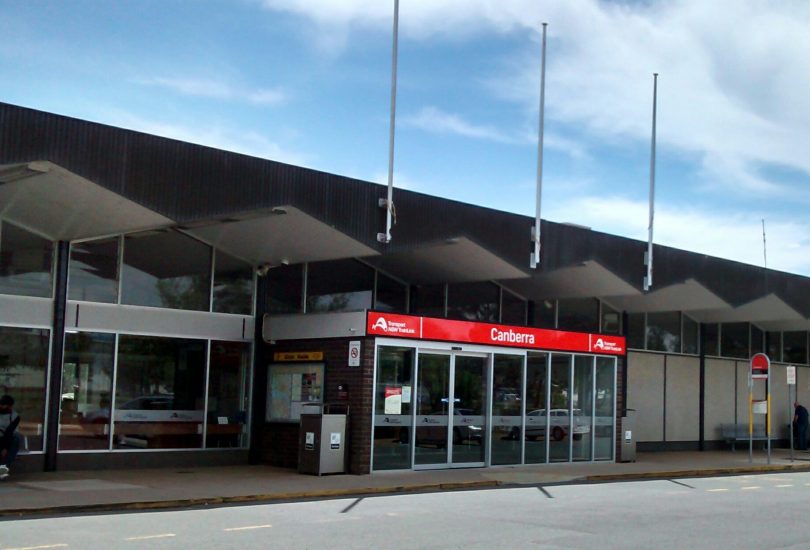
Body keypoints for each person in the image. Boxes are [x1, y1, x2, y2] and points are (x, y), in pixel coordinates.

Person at [0, 394, 21, 480]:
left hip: (5, 438)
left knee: (16, 438)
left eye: (4, 405)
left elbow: (10, 432)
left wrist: (5, 447)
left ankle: (2, 470)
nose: (1, 406)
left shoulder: (14, 417)